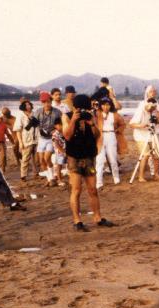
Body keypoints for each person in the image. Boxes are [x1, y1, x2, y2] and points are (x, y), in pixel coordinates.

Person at [62, 94, 113, 231]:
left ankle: (98, 217)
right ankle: (77, 221)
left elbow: (97, 135)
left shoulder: (91, 117)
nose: (83, 111)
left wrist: (92, 124)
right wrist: (74, 120)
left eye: (85, 109)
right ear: (75, 108)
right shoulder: (67, 116)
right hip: (74, 157)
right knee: (76, 190)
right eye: (80, 109)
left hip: (89, 157)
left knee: (93, 189)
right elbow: (67, 135)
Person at [129, 86, 159, 182]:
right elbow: (132, 123)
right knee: (145, 155)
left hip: (156, 131)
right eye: (151, 91)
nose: (153, 93)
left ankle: (156, 174)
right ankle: (141, 176)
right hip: (142, 134)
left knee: (157, 154)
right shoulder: (142, 104)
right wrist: (143, 125)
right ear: (147, 93)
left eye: (154, 91)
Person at [33, 91, 62, 187]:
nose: (46, 104)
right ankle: (50, 179)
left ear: (51, 101)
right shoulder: (38, 112)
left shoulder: (57, 112)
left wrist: (56, 131)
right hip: (41, 138)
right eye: (44, 102)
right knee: (41, 160)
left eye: (48, 101)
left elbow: (62, 124)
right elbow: (32, 125)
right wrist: (38, 128)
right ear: (42, 102)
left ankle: (52, 178)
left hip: (52, 138)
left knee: (47, 157)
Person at [94, 97, 125, 188]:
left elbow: (122, 124)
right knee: (100, 160)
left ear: (110, 105)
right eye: (103, 104)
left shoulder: (114, 115)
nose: (105, 107)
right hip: (100, 137)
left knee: (113, 159)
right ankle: (99, 182)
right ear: (100, 105)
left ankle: (116, 177)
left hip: (111, 136)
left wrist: (117, 130)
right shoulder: (97, 114)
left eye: (107, 104)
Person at [12, 100, 39, 182]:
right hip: (26, 140)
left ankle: (36, 172)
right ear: (23, 107)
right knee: (25, 158)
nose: (29, 106)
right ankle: (23, 175)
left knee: (36, 158)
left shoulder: (35, 114)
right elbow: (18, 130)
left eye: (29, 104)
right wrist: (20, 142)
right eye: (26, 105)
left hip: (36, 139)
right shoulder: (20, 116)